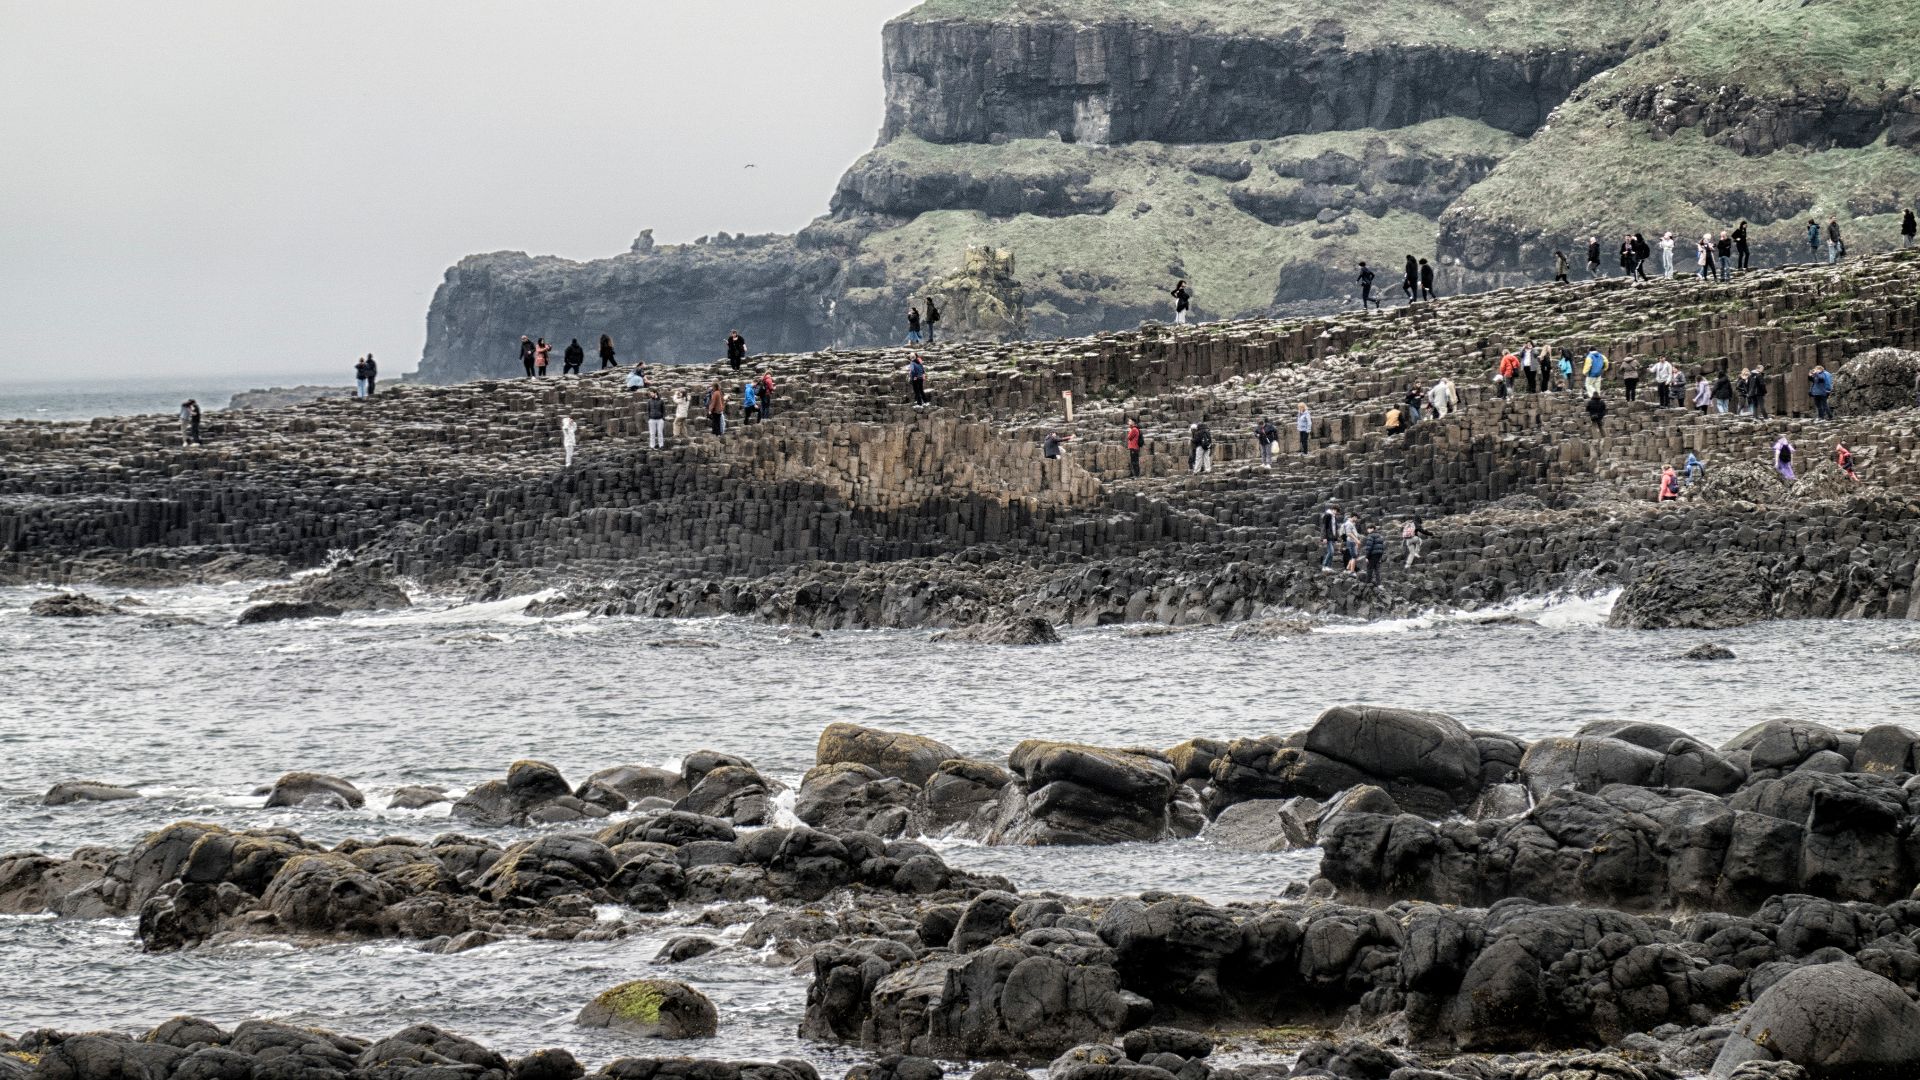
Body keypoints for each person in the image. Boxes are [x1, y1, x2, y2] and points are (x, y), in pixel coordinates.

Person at [1320, 504, 1342, 570]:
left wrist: (1336, 538)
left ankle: (1328, 567)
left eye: (1337, 511)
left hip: (1332, 537)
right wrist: (1324, 538)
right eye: (1335, 510)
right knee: (1331, 552)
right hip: (1327, 537)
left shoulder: (1334, 517)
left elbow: (1335, 528)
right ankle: (1324, 566)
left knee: (1331, 552)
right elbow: (1324, 527)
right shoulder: (1327, 515)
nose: (1335, 512)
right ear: (1332, 509)